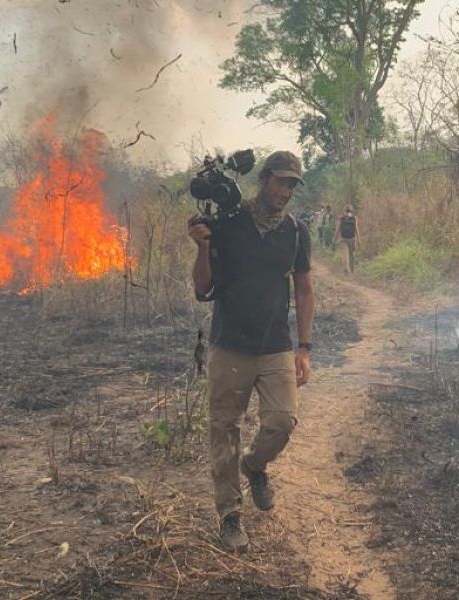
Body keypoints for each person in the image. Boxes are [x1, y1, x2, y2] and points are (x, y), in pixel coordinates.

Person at [187, 150, 315, 551]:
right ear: (263, 180)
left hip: (275, 344)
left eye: (292, 185)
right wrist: (202, 247)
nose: (285, 191)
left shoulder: (296, 232)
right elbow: (203, 288)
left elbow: (304, 290)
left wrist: (305, 347)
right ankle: (229, 515)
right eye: (280, 182)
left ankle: (254, 465)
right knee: (224, 430)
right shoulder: (229, 224)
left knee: (283, 421)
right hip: (230, 345)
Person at [335, 205, 360, 274]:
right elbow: (356, 229)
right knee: (351, 254)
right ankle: (352, 269)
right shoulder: (354, 218)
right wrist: (359, 239)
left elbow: (338, 228)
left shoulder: (341, 218)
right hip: (352, 239)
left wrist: (335, 237)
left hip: (343, 239)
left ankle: (346, 269)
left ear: (344, 210)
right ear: (352, 210)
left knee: (345, 254)